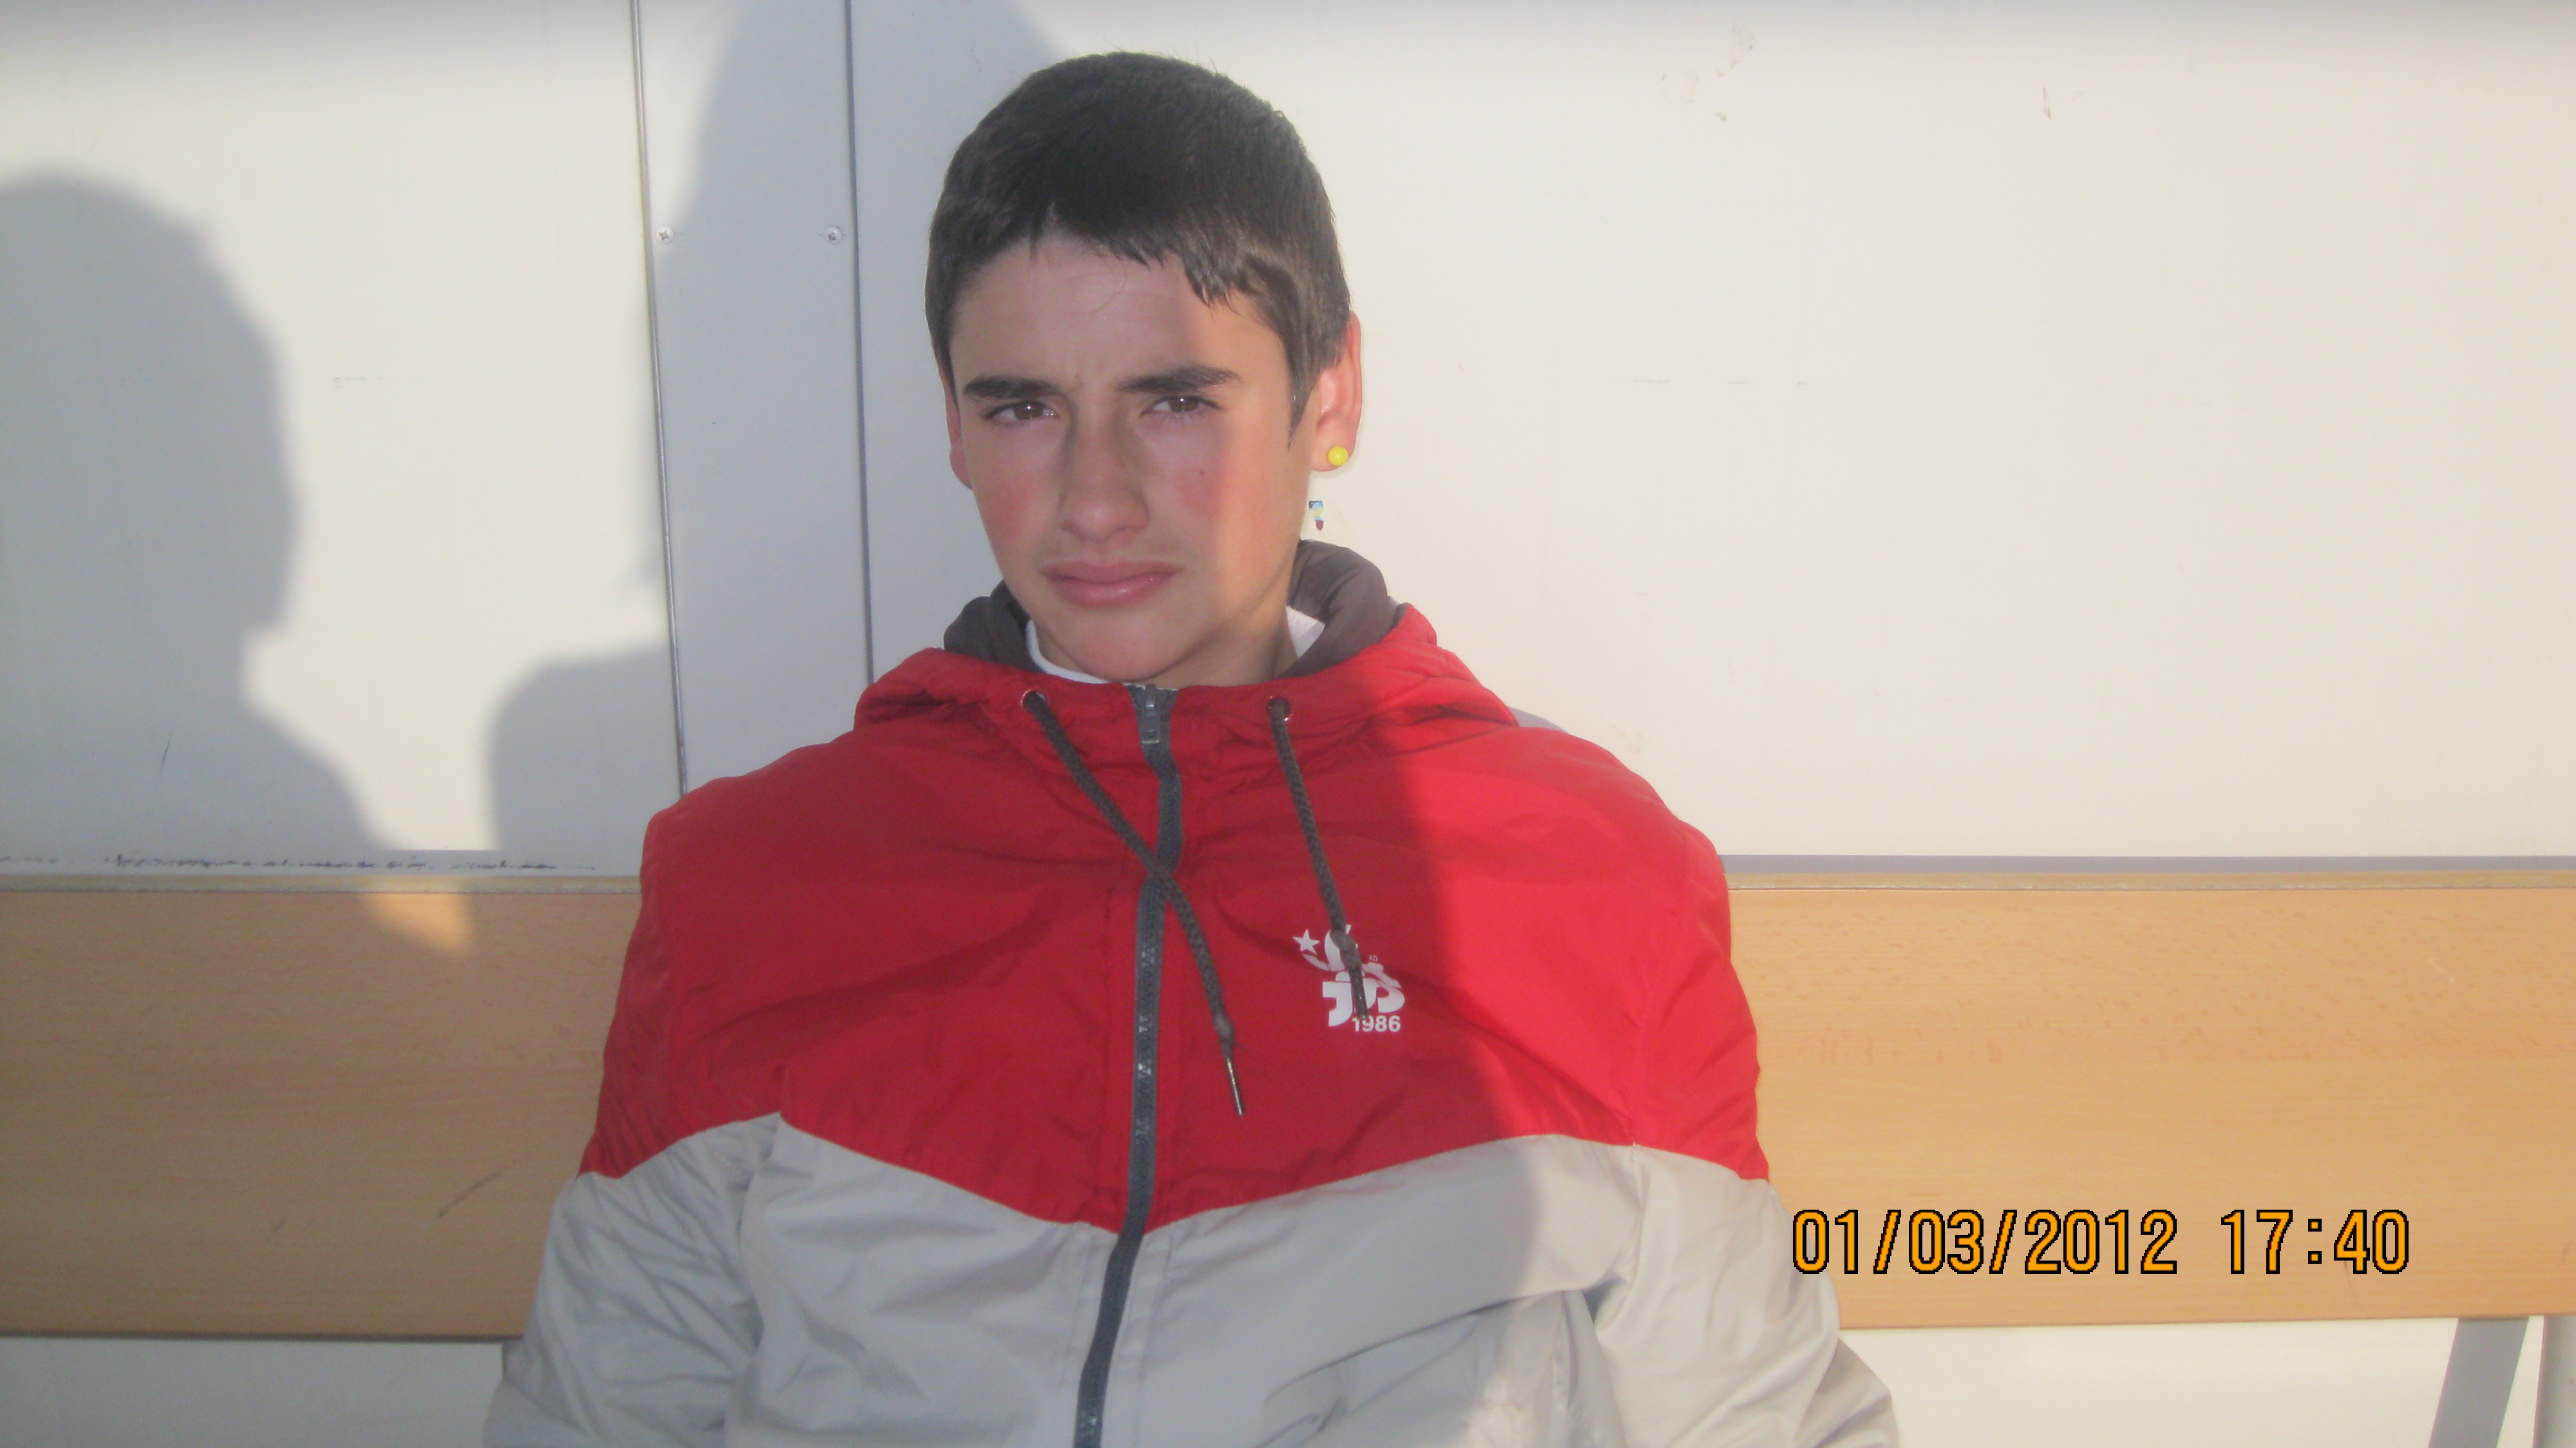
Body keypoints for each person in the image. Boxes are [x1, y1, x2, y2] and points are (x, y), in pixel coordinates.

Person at [488, 52, 1895, 1447]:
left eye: (1174, 400)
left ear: (1329, 395)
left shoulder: (1591, 876)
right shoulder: (748, 881)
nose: (1094, 500)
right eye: (1024, 405)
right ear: (953, 424)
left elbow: (1755, 1415)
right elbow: (601, 1406)